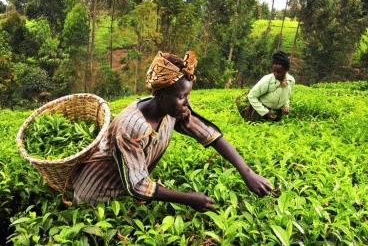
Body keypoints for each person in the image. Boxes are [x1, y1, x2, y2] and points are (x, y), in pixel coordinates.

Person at [73, 51, 273, 212]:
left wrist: (247, 173)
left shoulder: (172, 111)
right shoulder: (130, 127)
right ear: (160, 95)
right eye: (182, 97)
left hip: (124, 193)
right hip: (95, 196)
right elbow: (138, 186)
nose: (187, 103)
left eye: (188, 95)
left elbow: (208, 134)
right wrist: (188, 198)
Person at [239, 50, 295, 123]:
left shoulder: (291, 80)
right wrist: (265, 112)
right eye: (274, 71)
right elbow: (252, 96)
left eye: (279, 72)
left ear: (286, 70)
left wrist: (286, 106)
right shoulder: (267, 80)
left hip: (276, 113)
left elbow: (287, 96)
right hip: (260, 113)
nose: (276, 74)